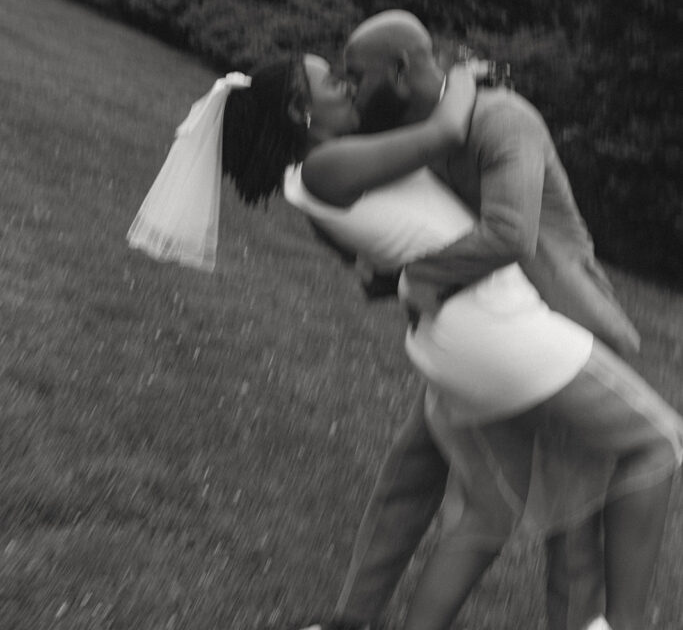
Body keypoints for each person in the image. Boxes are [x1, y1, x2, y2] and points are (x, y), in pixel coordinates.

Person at [126, 39, 682, 630]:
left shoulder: (333, 165)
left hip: (464, 334)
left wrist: (409, 272)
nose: (349, 86)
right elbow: (443, 134)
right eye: (334, 83)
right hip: (495, 331)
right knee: (658, 443)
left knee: (484, 517)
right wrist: (464, 75)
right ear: (300, 114)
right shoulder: (321, 168)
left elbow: (394, 241)